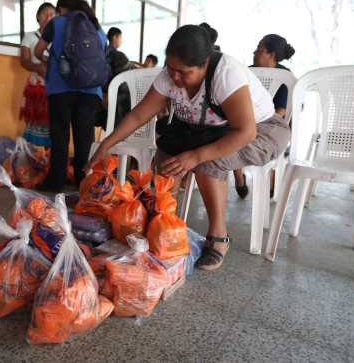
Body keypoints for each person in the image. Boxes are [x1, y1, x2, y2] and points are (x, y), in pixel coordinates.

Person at [88, 25, 290, 271]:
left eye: (184, 73)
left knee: (208, 162)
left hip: (260, 131)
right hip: (207, 131)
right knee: (166, 159)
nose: (175, 78)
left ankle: (218, 237)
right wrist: (106, 144)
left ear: (205, 63)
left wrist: (194, 156)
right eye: (171, 69)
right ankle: (163, 225)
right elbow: (140, 114)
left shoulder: (225, 74)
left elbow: (245, 132)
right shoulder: (170, 74)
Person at [33, 0, 107, 192]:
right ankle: (83, 182)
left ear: (61, 9)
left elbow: (37, 51)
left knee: (60, 136)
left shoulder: (56, 23)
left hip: (60, 88)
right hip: (90, 90)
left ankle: (55, 181)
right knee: (84, 139)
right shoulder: (97, 29)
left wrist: (49, 61)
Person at [233, 34, 296, 199]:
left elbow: (281, 110)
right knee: (229, 131)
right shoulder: (247, 71)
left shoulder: (284, 76)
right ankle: (239, 178)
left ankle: (270, 180)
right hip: (246, 120)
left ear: (272, 55)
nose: (254, 52)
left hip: (271, 123)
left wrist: (255, 121)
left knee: (250, 133)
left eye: (259, 49)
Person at [19, 2, 56, 148]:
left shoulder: (58, 38)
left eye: (52, 14)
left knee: (53, 124)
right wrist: (38, 67)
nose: (48, 17)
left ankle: (49, 161)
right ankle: (33, 161)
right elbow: (24, 61)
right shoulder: (29, 37)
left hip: (55, 87)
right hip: (36, 87)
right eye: (44, 14)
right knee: (35, 123)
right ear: (38, 17)